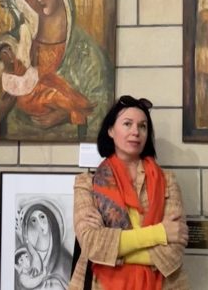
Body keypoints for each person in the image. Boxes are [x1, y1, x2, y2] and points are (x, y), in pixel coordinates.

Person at [69, 95, 189, 289]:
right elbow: (92, 244)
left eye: (142, 126)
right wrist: (160, 233)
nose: (136, 132)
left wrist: (113, 252)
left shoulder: (167, 180)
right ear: (110, 131)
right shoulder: (87, 183)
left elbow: (173, 251)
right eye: (127, 124)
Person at [0, 0, 113, 141]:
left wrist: (69, 116)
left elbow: (103, 112)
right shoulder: (9, 47)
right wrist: (0, 112)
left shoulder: (89, 53)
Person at [0, 40, 96, 137]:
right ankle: (78, 115)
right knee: (54, 96)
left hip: (38, 85)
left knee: (62, 89)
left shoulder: (19, 63)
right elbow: (21, 88)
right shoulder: (8, 77)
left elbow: (31, 73)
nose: (9, 54)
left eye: (9, 49)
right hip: (31, 98)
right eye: (4, 52)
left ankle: (80, 111)